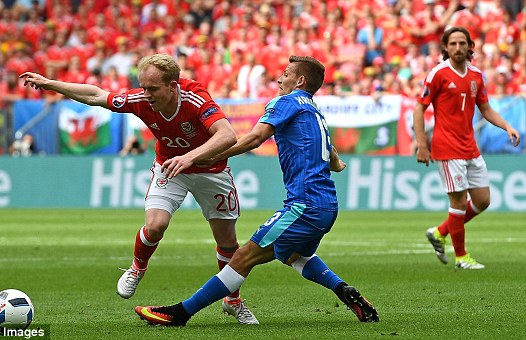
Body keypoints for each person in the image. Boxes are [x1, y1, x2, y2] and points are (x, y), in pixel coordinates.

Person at [135, 56, 380, 326]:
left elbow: (254, 138)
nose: (279, 79)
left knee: (243, 256)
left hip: (304, 206)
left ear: (299, 81)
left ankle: (180, 313)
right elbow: (332, 156)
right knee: (293, 255)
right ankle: (345, 291)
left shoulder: (286, 102)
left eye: (285, 74)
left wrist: (209, 156)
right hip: (326, 205)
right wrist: (338, 164)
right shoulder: (315, 111)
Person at [20, 54, 259, 324]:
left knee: (227, 242)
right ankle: (137, 268)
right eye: (142, 87)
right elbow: (96, 95)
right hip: (170, 167)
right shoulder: (140, 100)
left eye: (152, 89)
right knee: (155, 225)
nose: (146, 94)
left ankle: (233, 300)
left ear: (173, 85)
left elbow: (227, 134)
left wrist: (190, 157)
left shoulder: (195, 98)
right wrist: (52, 84)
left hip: (211, 171)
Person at [413, 27, 521, 270]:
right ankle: (461, 258)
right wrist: (422, 144)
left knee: (482, 201)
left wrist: (507, 126)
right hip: (447, 148)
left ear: (470, 47)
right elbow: (419, 108)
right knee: (459, 202)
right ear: (446, 48)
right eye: (453, 44)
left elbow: (486, 108)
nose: (458, 48)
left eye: (462, 43)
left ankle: (440, 232)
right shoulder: (437, 74)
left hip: (470, 147)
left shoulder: (476, 75)